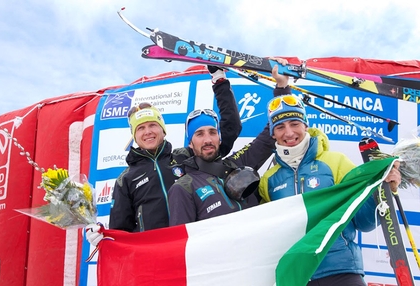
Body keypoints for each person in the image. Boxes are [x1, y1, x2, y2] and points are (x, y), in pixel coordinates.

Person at [258, 65, 402, 286]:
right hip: (297, 276)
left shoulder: (336, 162)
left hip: (341, 270)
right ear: (272, 133)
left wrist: (381, 191)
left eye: (295, 124)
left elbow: (362, 222)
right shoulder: (269, 180)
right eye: (280, 127)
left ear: (305, 125)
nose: (288, 133)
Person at [86, 66, 242, 245]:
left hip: (196, 246)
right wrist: (102, 239)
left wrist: (220, 81)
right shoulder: (126, 179)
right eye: (141, 128)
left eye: (153, 125)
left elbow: (231, 130)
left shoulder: (185, 157)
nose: (148, 132)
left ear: (163, 129)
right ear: (134, 135)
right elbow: (121, 230)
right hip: (156, 254)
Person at [167, 58, 291, 226]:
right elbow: (181, 243)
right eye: (199, 134)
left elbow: (271, 134)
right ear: (190, 142)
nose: (208, 139)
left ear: (219, 136)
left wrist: (282, 88)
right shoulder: (184, 187)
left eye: (212, 132)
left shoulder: (237, 163)